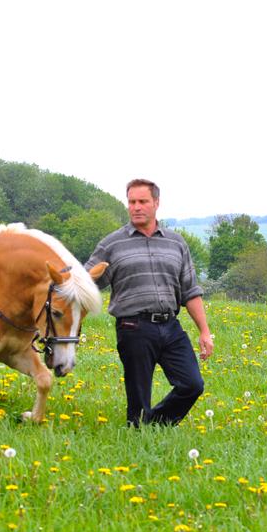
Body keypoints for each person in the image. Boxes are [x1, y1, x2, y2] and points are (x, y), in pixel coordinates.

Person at [84, 179, 213, 426]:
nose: (136, 207)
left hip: (170, 326)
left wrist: (204, 331)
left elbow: (190, 290)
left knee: (192, 384)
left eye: (142, 201)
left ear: (156, 203)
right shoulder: (112, 244)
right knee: (138, 399)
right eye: (132, 202)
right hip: (133, 328)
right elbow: (85, 281)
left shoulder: (176, 243)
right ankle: (139, 433)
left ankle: (154, 425)